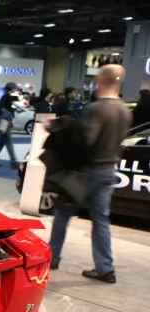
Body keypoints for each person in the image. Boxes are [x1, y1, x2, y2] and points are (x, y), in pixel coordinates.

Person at [47, 65, 132, 284]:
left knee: (63, 213)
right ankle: (105, 268)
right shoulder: (125, 110)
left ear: (100, 82)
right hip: (108, 171)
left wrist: (59, 130)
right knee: (101, 219)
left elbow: (85, 141)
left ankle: (51, 258)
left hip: (86, 172)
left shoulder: (96, 109)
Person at [0, 82, 20, 168]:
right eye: (14, 88)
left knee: (1, 142)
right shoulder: (8, 97)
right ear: (12, 88)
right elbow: (9, 110)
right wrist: (11, 119)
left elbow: (1, 109)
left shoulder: (4, 97)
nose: (15, 89)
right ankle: (13, 161)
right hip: (6, 122)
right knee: (8, 141)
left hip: (3, 122)